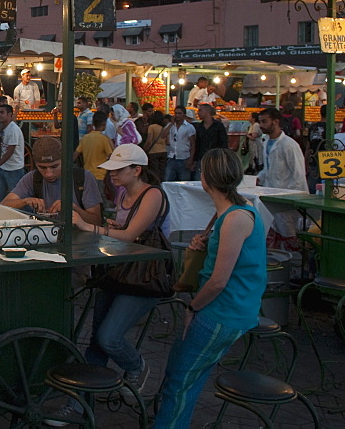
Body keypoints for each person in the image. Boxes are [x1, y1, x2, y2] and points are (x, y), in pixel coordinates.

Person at [152, 148, 267, 429]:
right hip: (225, 309)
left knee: (179, 383)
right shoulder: (229, 214)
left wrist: (193, 306)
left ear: (207, 178)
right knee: (184, 378)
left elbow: (218, 281)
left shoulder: (235, 218)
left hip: (223, 312)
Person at [69, 144, 168, 415]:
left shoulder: (152, 195)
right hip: (119, 270)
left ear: (137, 170)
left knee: (109, 337)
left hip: (143, 275)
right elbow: (124, 230)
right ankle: (79, 400)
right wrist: (113, 226)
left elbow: (131, 236)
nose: (112, 174)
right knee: (96, 340)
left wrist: (88, 225)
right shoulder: (124, 193)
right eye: (111, 169)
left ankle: (136, 365)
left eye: (118, 170)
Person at [0, 136, 102, 225]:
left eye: (54, 166)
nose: (49, 173)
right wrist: (25, 201)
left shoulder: (83, 177)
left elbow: (96, 221)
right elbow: (3, 206)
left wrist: (73, 208)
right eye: (42, 168)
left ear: (64, 160)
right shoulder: (32, 178)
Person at [257, 106, 307, 244]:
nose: (261, 125)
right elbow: (268, 168)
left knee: (290, 236)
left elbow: (298, 174)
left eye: (264, 121)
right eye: (260, 122)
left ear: (276, 122)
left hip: (287, 199)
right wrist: (257, 178)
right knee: (273, 234)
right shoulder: (266, 142)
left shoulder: (289, 145)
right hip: (270, 196)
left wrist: (292, 199)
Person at [74, 111, 114, 202]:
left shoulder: (86, 138)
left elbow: (75, 155)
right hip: (100, 175)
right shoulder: (104, 139)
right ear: (104, 124)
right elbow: (111, 156)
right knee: (101, 199)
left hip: (87, 175)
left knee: (89, 200)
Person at [0, 105, 25, 202]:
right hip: (3, 168)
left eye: (2, 113)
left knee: (16, 199)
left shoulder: (13, 129)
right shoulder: (4, 128)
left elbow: (10, 150)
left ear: (10, 115)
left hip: (14, 169)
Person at [193, 104, 228, 179]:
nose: (198, 113)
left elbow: (223, 142)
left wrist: (223, 157)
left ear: (207, 111)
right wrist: (195, 160)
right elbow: (197, 144)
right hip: (202, 157)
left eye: (200, 110)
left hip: (215, 158)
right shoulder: (199, 127)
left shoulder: (218, 126)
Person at [163, 106, 197, 182]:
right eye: (176, 113)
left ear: (184, 115)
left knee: (184, 181)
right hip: (172, 157)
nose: (177, 115)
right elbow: (163, 135)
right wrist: (171, 123)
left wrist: (191, 159)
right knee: (167, 181)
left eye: (179, 113)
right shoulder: (171, 126)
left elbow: (193, 144)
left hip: (184, 158)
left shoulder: (189, 127)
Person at [142, 110, 167, 181]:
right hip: (163, 151)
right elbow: (167, 142)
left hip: (153, 152)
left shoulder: (151, 127)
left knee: (154, 172)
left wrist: (144, 149)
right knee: (162, 171)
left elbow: (149, 141)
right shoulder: (163, 128)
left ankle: (156, 185)